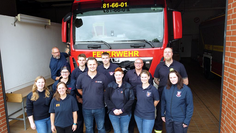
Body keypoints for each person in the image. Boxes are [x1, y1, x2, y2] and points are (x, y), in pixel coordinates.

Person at [153, 47, 188, 133]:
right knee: (159, 112)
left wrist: (176, 88)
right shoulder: (159, 66)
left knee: (174, 110)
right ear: (163, 54)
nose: (167, 54)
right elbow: (155, 79)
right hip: (161, 93)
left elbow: (186, 81)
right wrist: (164, 87)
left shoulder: (179, 66)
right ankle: (158, 130)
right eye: (165, 52)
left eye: (169, 52)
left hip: (176, 93)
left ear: (172, 54)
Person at [76, 57, 108, 133]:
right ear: (87, 65)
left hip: (100, 107)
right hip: (86, 108)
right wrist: (86, 94)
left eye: (94, 64)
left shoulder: (103, 77)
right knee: (89, 128)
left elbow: (106, 90)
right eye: (90, 64)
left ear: (97, 65)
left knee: (101, 128)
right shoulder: (81, 77)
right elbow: (79, 89)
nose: (92, 66)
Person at [124, 58, 153, 133]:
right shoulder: (129, 73)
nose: (138, 64)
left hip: (143, 99)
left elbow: (150, 86)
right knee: (131, 117)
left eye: (140, 63)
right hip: (131, 99)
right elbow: (125, 84)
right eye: (137, 63)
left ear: (143, 64)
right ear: (134, 64)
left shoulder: (146, 73)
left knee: (142, 116)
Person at [105, 67, 135, 133]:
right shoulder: (110, 86)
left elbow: (131, 99)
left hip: (125, 114)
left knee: (125, 131)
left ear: (122, 75)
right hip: (113, 114)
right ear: (114, 75)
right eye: (116, 75)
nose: (118, 76)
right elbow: (107, 99)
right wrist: (113, 109)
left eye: (119, 75)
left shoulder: (128, 86)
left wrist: (122, 110)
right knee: (116, 131)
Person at [97, 52, 119, 132]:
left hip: (114, 93)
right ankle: (107, 128)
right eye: (103, 58)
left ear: (109, 58)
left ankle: (115, 128)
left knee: (113, 109)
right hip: (102, 93)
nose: (105, 60)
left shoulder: (115, 67)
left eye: (106, 58)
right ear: (101, 59)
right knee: (104, 111)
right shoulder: (98, 68)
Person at [71, 53, 88, 133]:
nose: (81, 62)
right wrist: (78, 98)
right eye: (80, 60)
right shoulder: (74, 72)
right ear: (77, 61)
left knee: (89, 118)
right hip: (79, 99)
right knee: (79, 118)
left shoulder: (89, 70)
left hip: (89, 98)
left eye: (83, 60)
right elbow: (73, 87)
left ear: (85, 61)